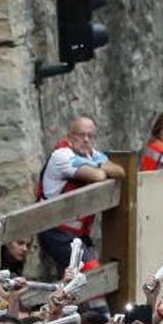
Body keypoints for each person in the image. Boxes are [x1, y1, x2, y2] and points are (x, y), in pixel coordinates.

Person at [35, 115, 125, 272]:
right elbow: (99, 176)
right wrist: (100, 166)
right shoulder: (61, 155)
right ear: (70, 136)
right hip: (55, 230)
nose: (86, 140)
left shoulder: (90, 154)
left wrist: (95, 163)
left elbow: (119, 171)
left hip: (78, 233)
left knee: (77, 281)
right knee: (92, 273)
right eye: (80, 135)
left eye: (90, 136)